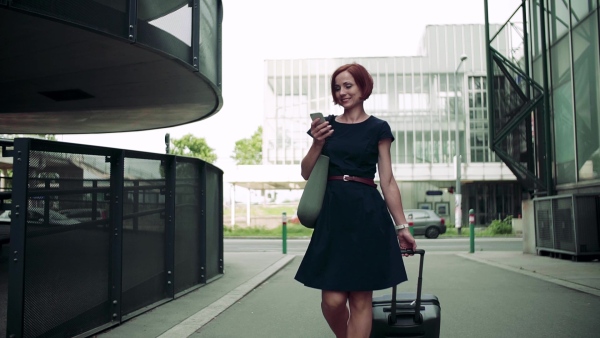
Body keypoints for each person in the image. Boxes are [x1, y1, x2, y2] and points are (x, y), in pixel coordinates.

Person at [294, 63, 417, 338]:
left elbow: (387, 181)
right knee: (333, 301)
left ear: (363, 87)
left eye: (348, 85)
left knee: (361, 300)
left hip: (367, 214)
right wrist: (317, 143)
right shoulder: (325, 125)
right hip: (333, 214)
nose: (342, 92)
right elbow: (305, 172)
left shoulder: (378, 128)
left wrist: (402, 227)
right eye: (337, 87)